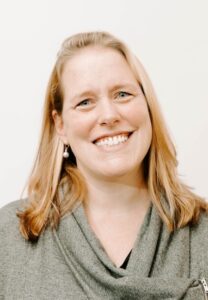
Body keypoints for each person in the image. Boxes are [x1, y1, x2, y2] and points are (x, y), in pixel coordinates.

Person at [0, 31, 208, 300]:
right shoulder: (7, 237)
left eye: (122, 94)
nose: (109, 116)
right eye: (85, 102)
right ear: (60, 125)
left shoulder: (201, 233)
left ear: (147, 106)